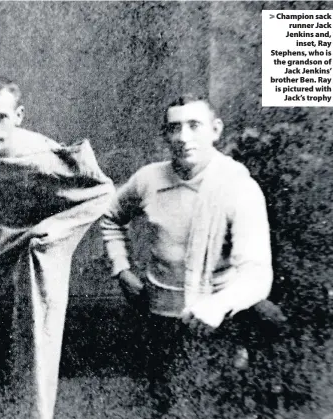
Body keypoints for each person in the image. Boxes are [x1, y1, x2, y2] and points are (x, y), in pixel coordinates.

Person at [0, 76, 115, 418]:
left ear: (19, 115)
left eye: (1, 117)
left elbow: (102, 192)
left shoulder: (39, 155)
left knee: (28, 360)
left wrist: (49, 231)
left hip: (28, 273)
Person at [99, 93, 274, 417]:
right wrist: (121, 270)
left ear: (215, 129)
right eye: (174, 128)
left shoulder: (239, 186)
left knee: (215, 408)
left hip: (217, 321)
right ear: (165, 134)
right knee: (165, 405)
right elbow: (110, 217)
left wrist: (218, 306)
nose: (183, 137)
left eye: (194, 126)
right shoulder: (148, 178)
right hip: (157, 315)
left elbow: (257, 272)